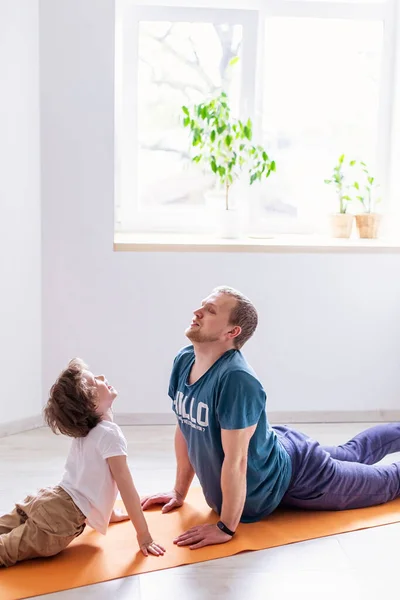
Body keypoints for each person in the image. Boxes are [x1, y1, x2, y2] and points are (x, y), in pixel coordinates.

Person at [141, 285, 400, 550]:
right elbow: (185, 425)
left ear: (232, 332)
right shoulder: (184, 360)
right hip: (275, 449)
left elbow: (237, 460)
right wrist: (179, 492)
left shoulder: (236, 379)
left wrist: (226, 528)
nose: (197, 312)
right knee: (355, 452)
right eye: (202, 305)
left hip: (300, 475)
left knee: (389, 482)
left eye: (210, 310)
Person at [0, 358, 165, 567]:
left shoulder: (86, 431)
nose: (103, 378)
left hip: (48, 498)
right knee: (5, 549)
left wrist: (109, 515)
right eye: (95, 382)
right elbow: (125, 486)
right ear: (91, 403)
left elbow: (94, 479)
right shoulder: (109, 434)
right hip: (61, 517)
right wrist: (144, 536)